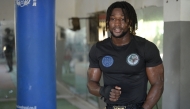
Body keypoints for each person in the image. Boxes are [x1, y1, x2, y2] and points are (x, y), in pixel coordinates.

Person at [87, 1, 164, 109]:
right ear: (108, 22)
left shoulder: (146, 48)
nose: (117, 24)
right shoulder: (98, 49)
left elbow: (158, 84)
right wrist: (103, 91)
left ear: (130, 22)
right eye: (113, 19)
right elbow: (91, 83)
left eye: (122, 19)